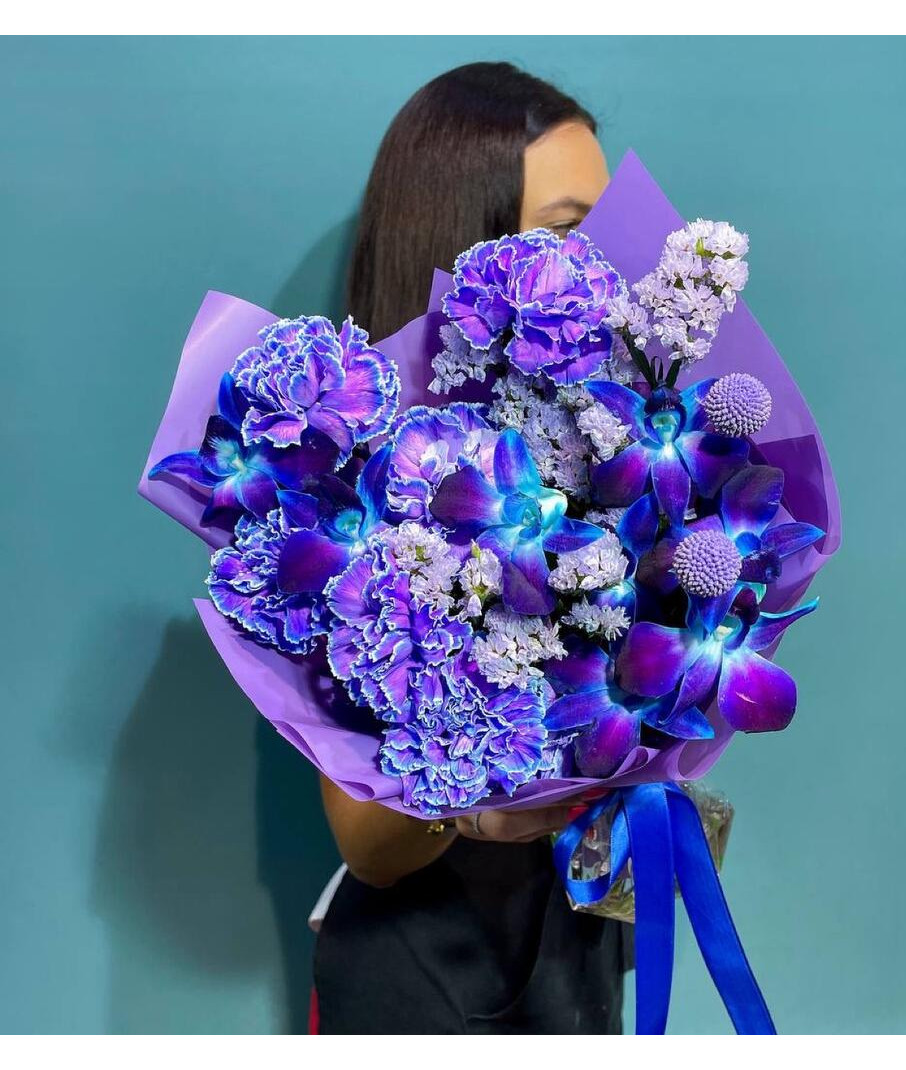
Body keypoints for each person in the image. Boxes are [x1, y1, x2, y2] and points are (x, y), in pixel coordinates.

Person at [312, 61, 631, 1035]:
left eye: (611, 231)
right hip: (422, 968)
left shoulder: (616, 451)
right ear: (468, 244)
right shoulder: (360, 489)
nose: (605, 266)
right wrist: (472, 799)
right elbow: (369, 845)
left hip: (577, 936)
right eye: (568, 232)